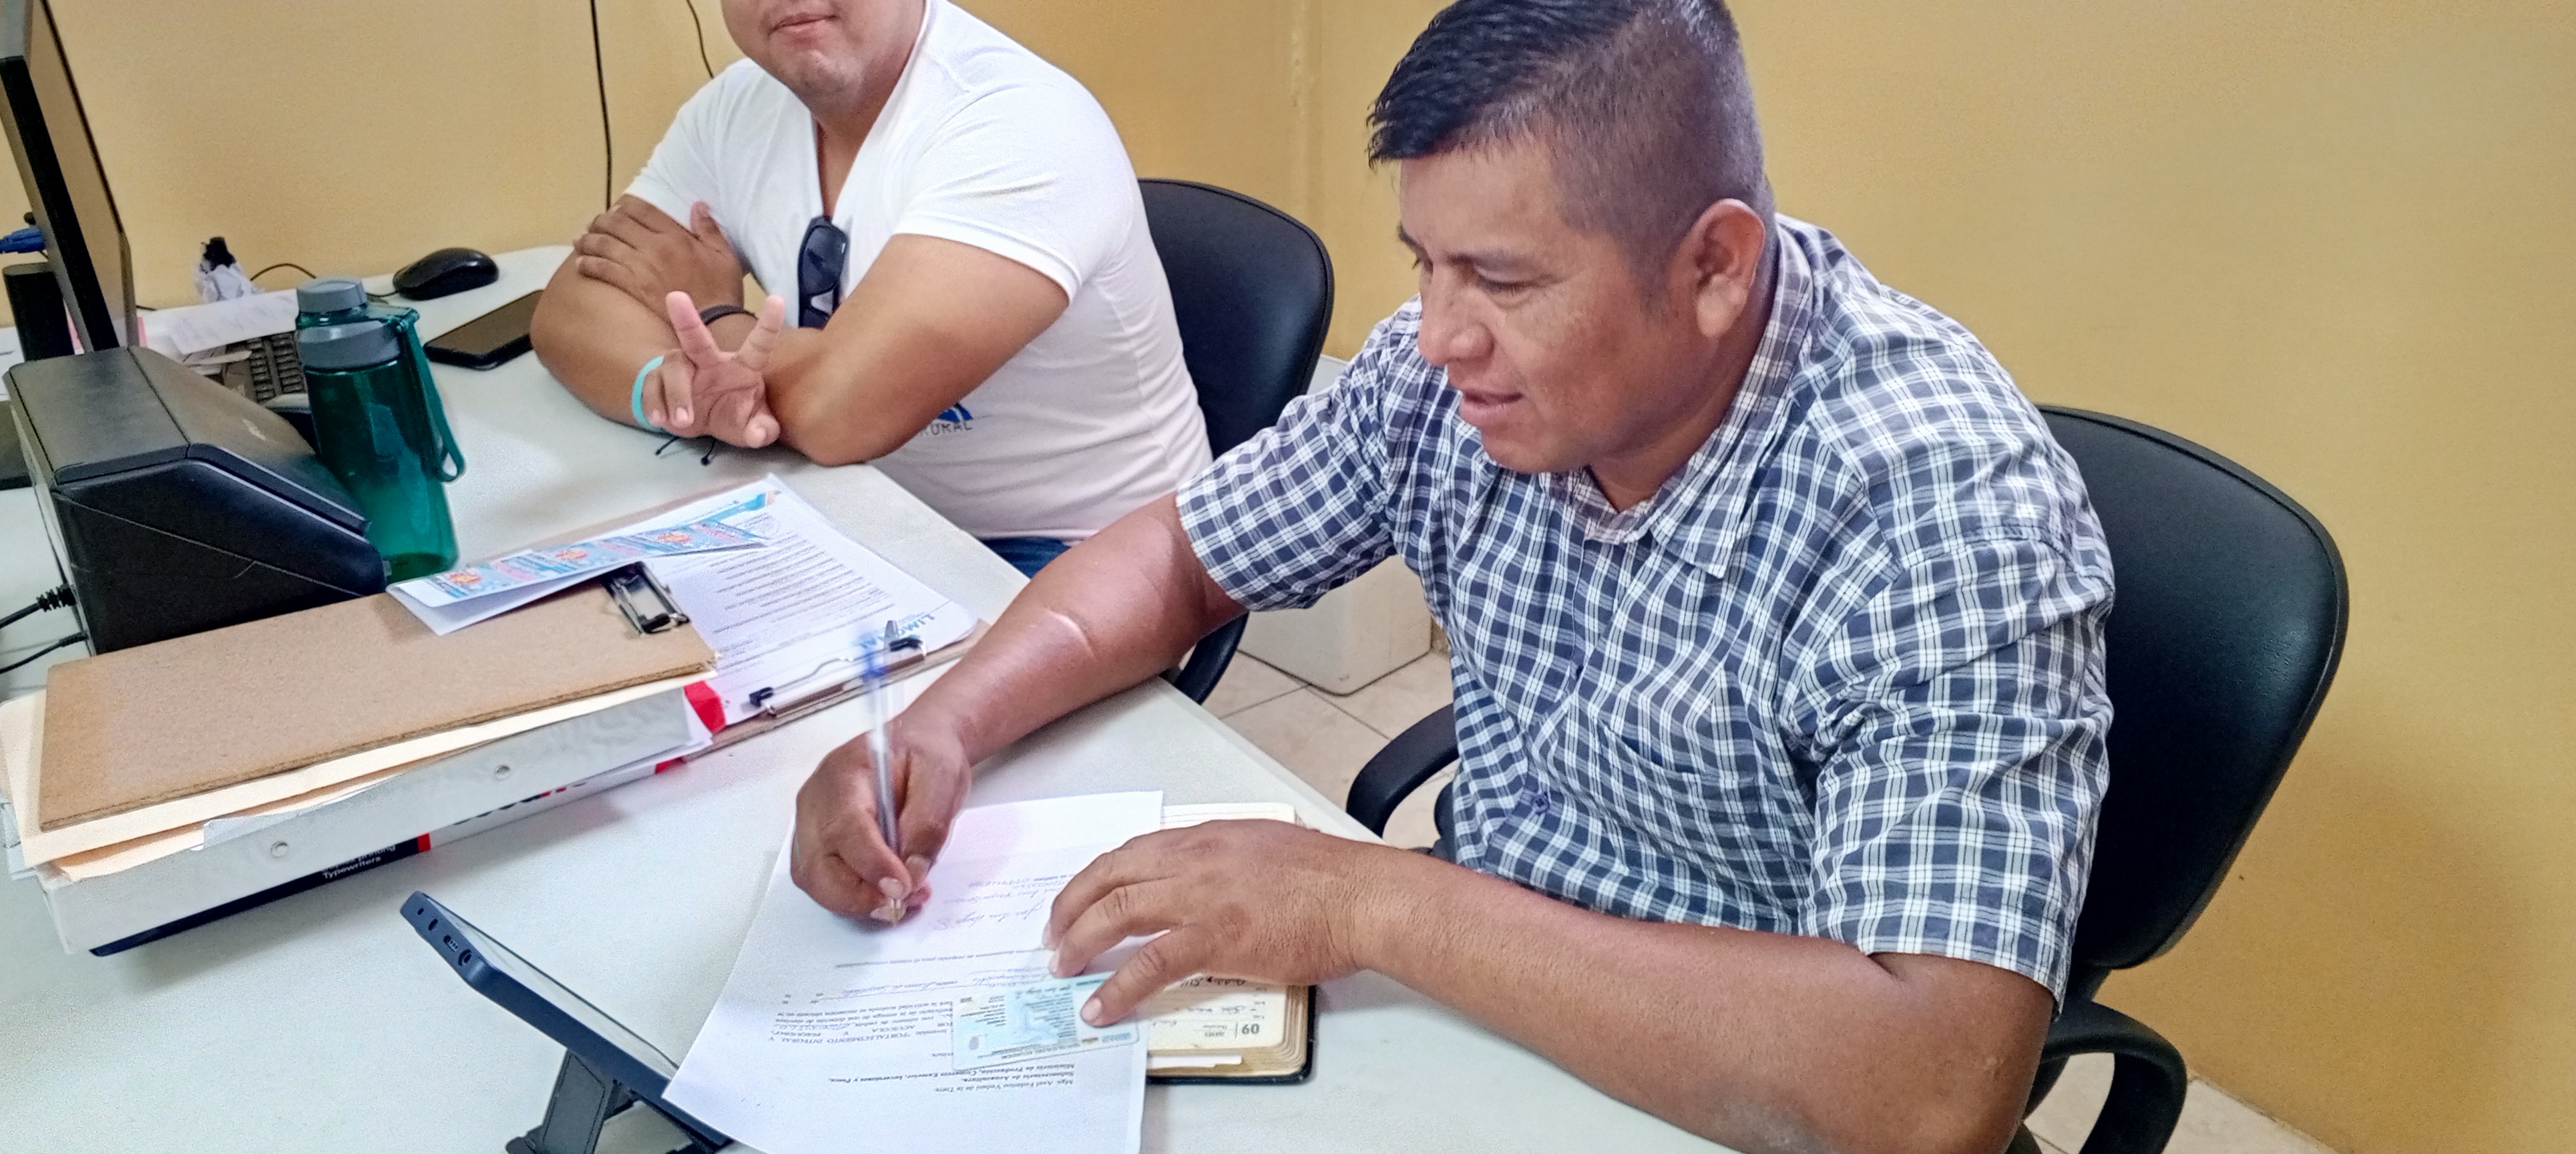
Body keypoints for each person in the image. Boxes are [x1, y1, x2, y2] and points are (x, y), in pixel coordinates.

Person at [791, 0, 2114, 1149]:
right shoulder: (1455, 381)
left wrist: (1371, 901)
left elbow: (1928, 1089)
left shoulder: (1940, 514)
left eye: (1503, 280)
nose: (1436, 336)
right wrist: (943, 729)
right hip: (1477, 1001)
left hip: (1743, 1091)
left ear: (1714, 267)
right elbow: (1180, 554)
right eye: (1425, 262)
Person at [527, 0, 1211, 576]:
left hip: (1081, 554)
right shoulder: (735, 107)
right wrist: (675, 389)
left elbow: (841, 415)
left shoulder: (1020, 122)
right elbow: (571, 311)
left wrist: (713, 319)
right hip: (859, 509)